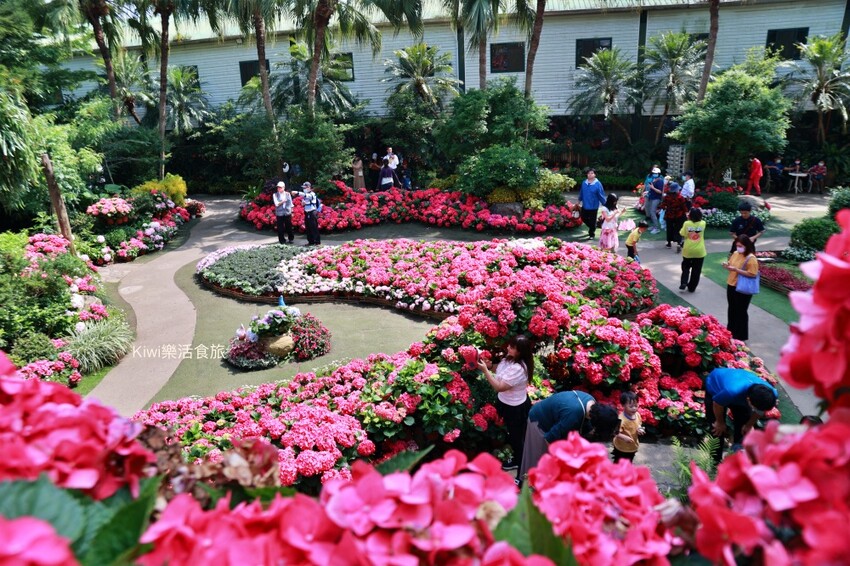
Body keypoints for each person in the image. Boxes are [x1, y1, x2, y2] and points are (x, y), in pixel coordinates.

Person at [519, 391, 619, 478]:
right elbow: (549, 439)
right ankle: (528, 482)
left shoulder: (591, 402)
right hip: (539, 420)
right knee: (539, 458)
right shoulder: (573, 415)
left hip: (554, 418)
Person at [477, 335, 534, 471]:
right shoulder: (510, 359)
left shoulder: (519, 369)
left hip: (515, 407)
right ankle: (517, 456)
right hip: (506, 402)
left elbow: (499, 387)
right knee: (513, 433)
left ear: (520, 352)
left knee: (516, 437)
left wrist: (485, 371)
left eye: (512, 347)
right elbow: (500, 369)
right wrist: (490, 366)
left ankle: (520, 462)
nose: (508, 347)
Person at [703, 367, 777, 461]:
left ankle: (736, 459)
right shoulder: (731, 391)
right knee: (717, 430)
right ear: (748, 401)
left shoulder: (772, 394)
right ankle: (715, 462)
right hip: (716, 386)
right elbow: (717, 404)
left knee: (744, 430)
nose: (758, 411)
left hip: (740, 390)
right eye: (756, 409)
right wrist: (720, 422)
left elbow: (760, 410)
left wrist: (749, 425)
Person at [723, 235, 759, 341]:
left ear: (746, 246)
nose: (738, 247)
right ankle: (730, 330)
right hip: (731, 284)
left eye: (740, 246)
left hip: (743, 288)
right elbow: (731, 265)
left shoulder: (751, 258)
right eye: (737, 245)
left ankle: (740, 335)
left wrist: (736, 270)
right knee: (732, 308)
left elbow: (753, 274)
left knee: (741, 311)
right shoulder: (735, 253)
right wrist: (728, 266)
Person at [679, 208, 707, 292]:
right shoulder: (703, 223)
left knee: (686, 267)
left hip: (688, 250)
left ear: (690, 216)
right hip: (699, 251)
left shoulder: (687, 223)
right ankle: (692, 287)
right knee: (696, 270)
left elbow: (682, 233)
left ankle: (684, 282)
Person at [612, 391, 644, 463]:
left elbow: (638, 424)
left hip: (632, 445)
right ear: (623, 406)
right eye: (631, 406)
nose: (634, 408)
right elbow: (615, 432)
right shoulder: (621, 419)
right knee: (618, 462)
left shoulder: (637, 415)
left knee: (629, 461)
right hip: (621, 447)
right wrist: (624, 437)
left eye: (636, 405)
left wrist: (639, 428)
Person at [578, 168, 606, 239]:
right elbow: (581, 193)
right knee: (583, 218)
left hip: (594, 206)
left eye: (592, 173)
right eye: (589, 173)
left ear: (595, 174)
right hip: (585, 205)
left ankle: (591, 234)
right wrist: (578, 201)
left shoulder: (598, 184)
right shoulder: (584, 182)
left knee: (592, 220)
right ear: (587, 174)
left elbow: (601, 195)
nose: (590, 175)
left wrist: (605, 204)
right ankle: (593, 226)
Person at [660, 182, 688, 252]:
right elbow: (684, 207)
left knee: (669, 229)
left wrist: (666, 208)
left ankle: (669, 243)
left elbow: (663, 205)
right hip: (679, 215)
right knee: (678, 229)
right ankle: (679, 242)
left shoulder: (666, 197)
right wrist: (686, 212)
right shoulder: (680, 197)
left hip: (669, 215)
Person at [291, 182, 321, 246]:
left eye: (305, 188)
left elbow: (306, 196)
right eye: (303, 188)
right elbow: (303, 203)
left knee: (314, 227)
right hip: (306, 212)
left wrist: (297, 192)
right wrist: (303, 203)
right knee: (308, 227)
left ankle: (317, 242)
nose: (304, 189)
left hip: (312, 212)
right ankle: (310, 241)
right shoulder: (305, 195)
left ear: (309, 187)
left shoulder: (312, 194)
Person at [644, 167, 664, 233]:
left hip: (656, 198)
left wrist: (652, 188)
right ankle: (654, 226)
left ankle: (657, 228)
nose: (654, 174)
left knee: (652, 212)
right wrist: (647, 192)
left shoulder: (660, 181)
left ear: (659, 174)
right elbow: (652, 189)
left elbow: (660, 192)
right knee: (651, 211)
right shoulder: (654, 180)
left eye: (656, 173)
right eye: (653, 173)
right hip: (652, 197)